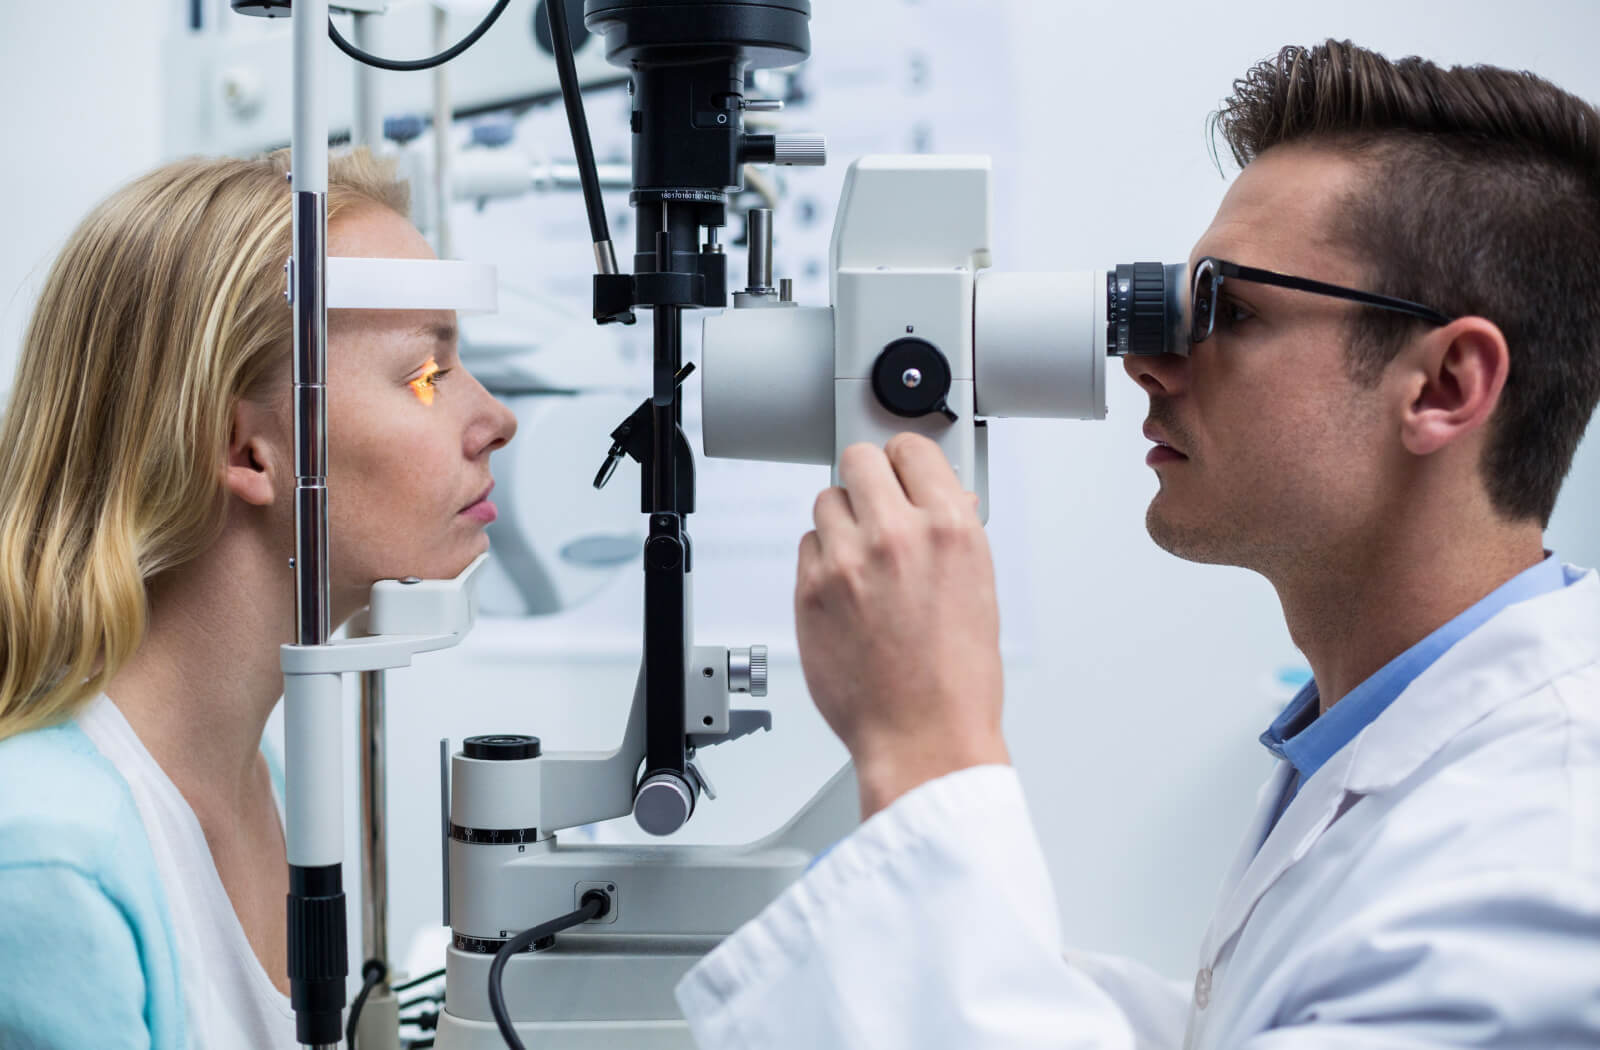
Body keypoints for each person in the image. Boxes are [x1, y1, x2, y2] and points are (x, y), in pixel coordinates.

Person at [674, 40, 1600, 1049]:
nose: (1147, 362)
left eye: (1227, 310)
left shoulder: (1540, 852)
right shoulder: (1373, 739)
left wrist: (925, 744)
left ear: (1445, 386)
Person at [0, 149, 517, 1048]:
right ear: (246, 451)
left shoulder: (254, 777)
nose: (496, 419)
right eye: (426, 376)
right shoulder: (47, 860)